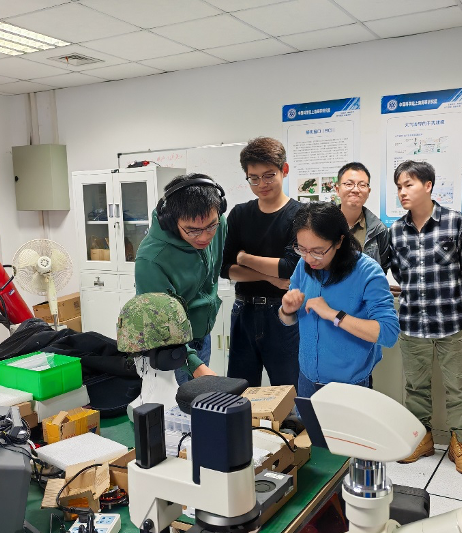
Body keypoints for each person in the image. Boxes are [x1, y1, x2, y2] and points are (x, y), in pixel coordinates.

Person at [389, 160, 462, 476]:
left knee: (459, 387)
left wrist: (453, 298)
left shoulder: (457, 223)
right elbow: (399, 273)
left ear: (428, 185)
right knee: (415, 387)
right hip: (412, 322)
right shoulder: (396, 231)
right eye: (399, 187)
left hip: (451, 321)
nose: (402, 192)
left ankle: (460, 444)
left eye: (409, 185)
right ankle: (422, 439)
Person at [278, 203, 399, 398]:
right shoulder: (304, 264)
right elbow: (288, 320)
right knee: (307, 420)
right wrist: (287, 310)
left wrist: (334, 315)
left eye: (318, 251)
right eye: (302, 249)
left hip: (349, 384)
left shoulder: (367, 271)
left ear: (339, 241)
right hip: (307, 377)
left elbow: (388, 333)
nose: (309, 258)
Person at [221, 137, 300, 387]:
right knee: (240, 390)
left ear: (284, 170)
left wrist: (244, 258)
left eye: (269, 176)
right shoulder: (239, 214)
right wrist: (267, 276)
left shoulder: (300, 214)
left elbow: (288, 267)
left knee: (288, 388)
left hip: (281, 312)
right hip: (243, 310)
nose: (261, 184)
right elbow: (225, 269)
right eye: (253, 178)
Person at [134, 173, 226, 385]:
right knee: (180, 404)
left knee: (200, 400)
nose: (204, 237)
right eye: (192, 231)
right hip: (172, 347)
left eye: (211, 226)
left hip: (202, 335)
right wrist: (194, 364)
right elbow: (160, 324)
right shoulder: (151, 259)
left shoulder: (219, 223)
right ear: (171, 221)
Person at [117, 292, 193, 413]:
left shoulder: (140, 409)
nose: (133, 359)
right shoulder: (185, 404)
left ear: (143, 360)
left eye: (133, 354)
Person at [335, 162, 390, 273]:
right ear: (337, 190)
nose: (356, 190)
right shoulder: (322, 224)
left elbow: (381, 268)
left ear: (368, 191)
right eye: (349, 184)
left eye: (362, 185)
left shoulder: (379, 230)